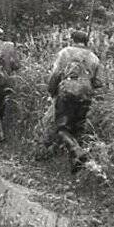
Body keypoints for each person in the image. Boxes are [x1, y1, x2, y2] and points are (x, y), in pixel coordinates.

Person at [46, 29, 103, 172]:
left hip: (67, 90)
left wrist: (52, 91)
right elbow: (99, 82)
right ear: (86, 41)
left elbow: (55, 74)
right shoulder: (94, 57)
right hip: (86, 93)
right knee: (77, 129)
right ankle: (75, 168)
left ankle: (77, 151)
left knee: (62, 128)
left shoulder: (65, 52)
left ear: (73, 40)